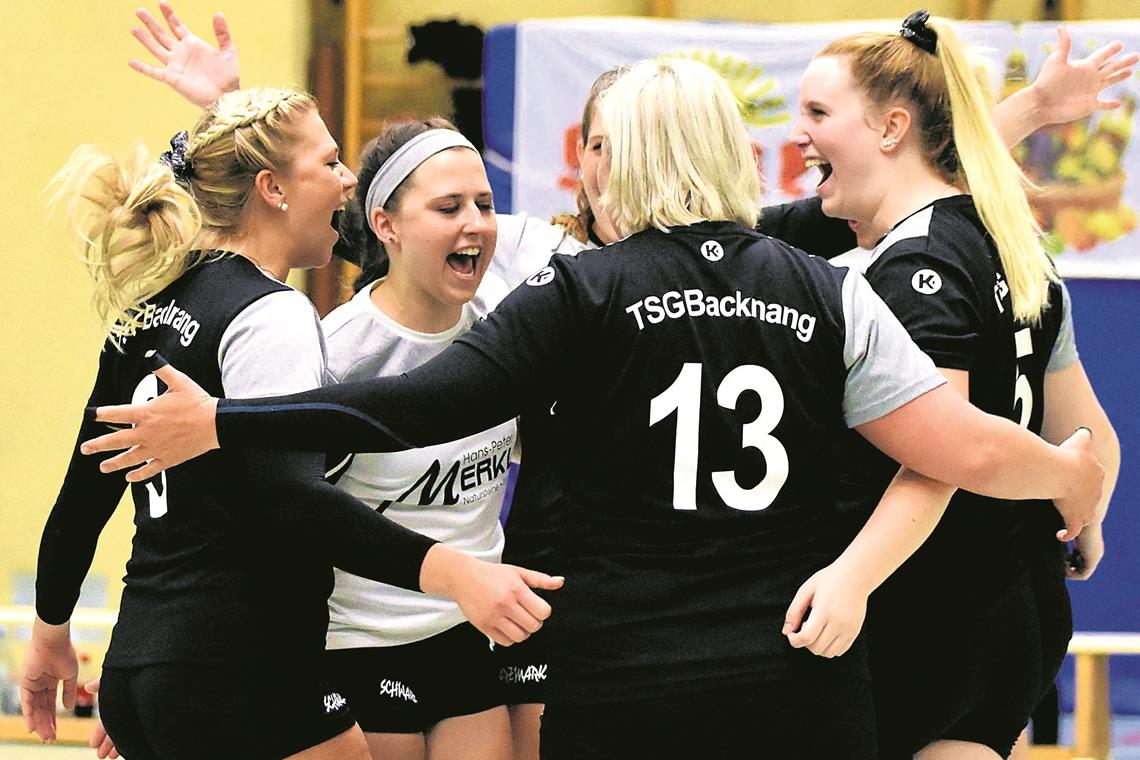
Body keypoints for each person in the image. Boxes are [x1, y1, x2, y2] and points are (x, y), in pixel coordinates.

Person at [83, 58, 1104, 759]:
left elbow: (406, 409)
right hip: (792, 677)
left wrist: (226, 423)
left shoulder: (581, 289)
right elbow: (953, 450)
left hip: (626, 678)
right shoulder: (823, 287)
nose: (583, 167)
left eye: (601, 145)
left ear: (637, 151)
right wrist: (1067, 475)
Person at [20, 86, 558, 760]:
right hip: (244, 667)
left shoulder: (150, 304)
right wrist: (451, 573)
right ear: (272, 189)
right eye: (330, 163)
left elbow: (83, 490)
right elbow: (294, 497)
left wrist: (49, 633)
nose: (346, 181)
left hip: (142, 663)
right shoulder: (271, 313)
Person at [791, 12, 1121, 759]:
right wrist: (1082, 511)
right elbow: (1090, 432)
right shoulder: (1009, 238)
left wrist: (850, 577)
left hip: (929, 605)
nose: (799, 136)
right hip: (1018, 604)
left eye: (816, 113)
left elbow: (939, 453)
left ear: (891, 128)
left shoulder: (917, 270)